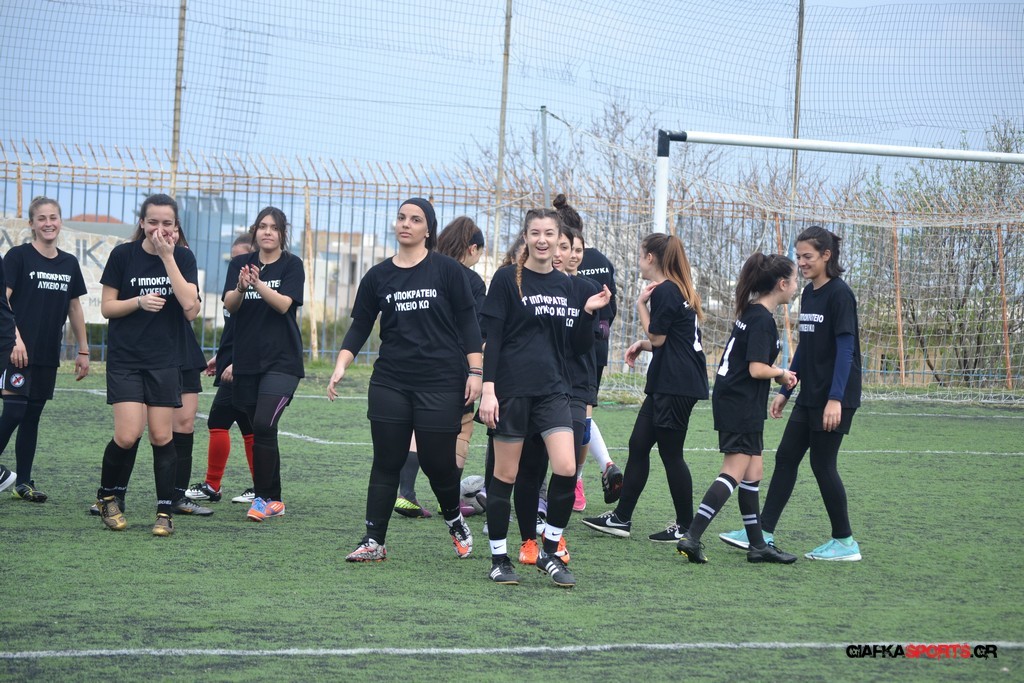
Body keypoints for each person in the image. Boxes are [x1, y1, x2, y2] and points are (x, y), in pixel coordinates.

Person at [328, 198, 482, 563]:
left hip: (441, 382)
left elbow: (468, 324)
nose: (405, 224)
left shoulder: (448, 271)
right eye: (401, 218)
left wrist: (476, 372)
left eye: (415, 219)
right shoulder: (378, 276)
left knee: (436, 463)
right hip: (390, 381)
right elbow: (361, 325)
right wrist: (341, 363)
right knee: (387, 460)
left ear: (428, 229)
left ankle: (454, 519)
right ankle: (373, 541)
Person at [479, 208, 610, 587]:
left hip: (554, 391)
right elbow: (494, 339)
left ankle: (550, 552)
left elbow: (578, 346)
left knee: (566, 468)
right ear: (526, 237)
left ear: (558, 240)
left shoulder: (568, 286)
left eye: (549, 234)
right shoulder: (507, 279)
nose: (542, 240)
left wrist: (587, 314)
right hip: (512, 392)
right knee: (505, 475)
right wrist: (488, 389)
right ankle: (500, 558)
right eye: (535, 233)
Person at [719, 226, 863, 561]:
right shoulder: (809, 293)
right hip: (811, 393)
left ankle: (845, 541)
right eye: (798, 257)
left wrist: (835, 399)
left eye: (807, 256)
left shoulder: (840, 295)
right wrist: (787, 388)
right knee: (785, 457)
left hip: (835, 396)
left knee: (822, 464)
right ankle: (763, 532)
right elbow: (806, 346)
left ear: (826, 255)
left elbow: (847, 351)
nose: (802, 263)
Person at [674, 253, 800, 564]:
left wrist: (775, 374)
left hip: (740, 400)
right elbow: (757, 369)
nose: (797, 286)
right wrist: (782, 373)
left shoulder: (754, 312)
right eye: (795, 280)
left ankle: (757, 546)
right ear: (782, 284)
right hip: (739, 403)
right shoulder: (761, 320)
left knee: (753, 473)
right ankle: (692, 536)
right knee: (733, 472)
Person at [582, 233, 706, 543]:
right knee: (638, 444)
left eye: (640, 255)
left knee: (671, 454)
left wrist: (640, 304)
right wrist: (642, 344)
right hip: (670, 381)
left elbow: (659, 337)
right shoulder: (676, 289)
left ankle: (685, 526)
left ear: (650, 257)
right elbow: (674, 339)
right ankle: (621, 518)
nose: (639, 262)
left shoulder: (665, 290)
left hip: (675, 384)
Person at [95, 193, 200, 536]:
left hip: (165, 359)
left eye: (167, 223)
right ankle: (107, 496)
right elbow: (107, 307)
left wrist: (168, 258)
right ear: (142, 223)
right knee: (127, 435)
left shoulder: (182, 257)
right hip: (126, 358)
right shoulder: (123, 255)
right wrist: (138, 302)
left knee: (161, 435)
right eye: (152, 222)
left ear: (176, 226)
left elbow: (191, 307)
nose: (159, 229)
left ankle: (164, 512)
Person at [513, 224, 595, 566]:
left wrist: (589, 315)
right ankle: (528, 540)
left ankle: (553, 534)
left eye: (567, 247)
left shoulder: (584, 290)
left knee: (567, 466)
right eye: (556, 245)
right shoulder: (525, 284)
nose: (560, 253)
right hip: (534, 387)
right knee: (529, 468)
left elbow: (588, 343)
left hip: (573, 389)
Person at [393, 216, 486, 519]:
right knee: (463, 426)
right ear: (472, 248)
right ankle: (450, 503)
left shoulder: (425, 269)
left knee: (416, 427)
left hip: (414, 363)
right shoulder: (472, 281)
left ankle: (405, 493)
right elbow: (476, 330)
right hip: (454, 366)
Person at [0, 196, 88, 503]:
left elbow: (75, 307)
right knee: (14, 411)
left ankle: (23, 482)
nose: (48, 223)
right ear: (32, 224)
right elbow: (3, 300)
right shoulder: (18, 257)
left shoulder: (69, 263)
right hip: (16, 350)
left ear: (60, 222)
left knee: (32, 416)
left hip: (47, 352)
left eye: (53, 217)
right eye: (42, 218)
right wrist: (15, 338)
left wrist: (83, 350)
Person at [223, 206, 304, 523]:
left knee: (264, 425)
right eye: (262, 227)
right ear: (255, 231)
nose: (267, 232)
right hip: (248, 361)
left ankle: (261, 498)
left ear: (282, 233)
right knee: (262, 430)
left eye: (274, 227)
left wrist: (258, 284)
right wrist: (241, 286)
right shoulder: (240, 264)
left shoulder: (292, 264)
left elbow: (284, 305)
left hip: (282, 361)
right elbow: (230, 305)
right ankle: (276, 499)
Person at [553, 194, 621, 509]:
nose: (570, 254)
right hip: (585, 354)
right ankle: (581, 477)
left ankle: (574, 482)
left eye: (574, 248)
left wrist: (592, 325)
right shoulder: (599, 261)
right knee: (577, 417)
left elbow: (606, 311)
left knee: (579, 418)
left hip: (583, 355)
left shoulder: (587, 278)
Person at [186, 235, 257, 505]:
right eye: (233, 259)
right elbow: (234, 330)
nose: (236, 264)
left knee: (218, 421)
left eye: (241, 258)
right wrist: (221, 356)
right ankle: (259, 487)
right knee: (248, 427)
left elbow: (257, 333)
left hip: (242, 368)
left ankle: (213, 486)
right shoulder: (235, 287)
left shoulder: (256, 290)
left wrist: (239, 363)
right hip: (231, 363)